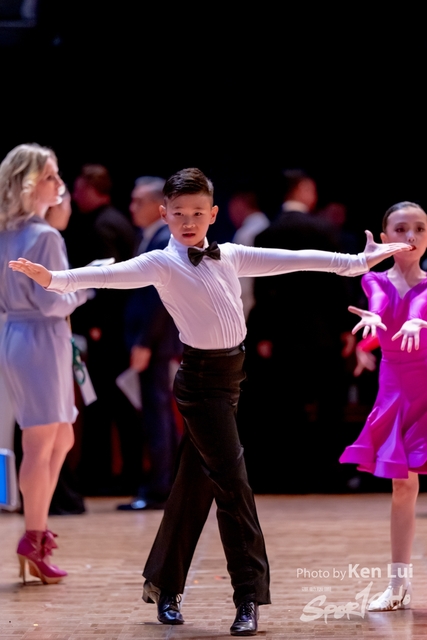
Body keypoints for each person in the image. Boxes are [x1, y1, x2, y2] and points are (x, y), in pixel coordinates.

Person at [8, 168, 410, 635]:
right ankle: (248, 596)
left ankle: (164, 586)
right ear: (164, 214)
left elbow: (296, 259)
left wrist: (357, 261)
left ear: (214, 214)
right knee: (234, 486)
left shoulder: (231, 254)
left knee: (193, 487)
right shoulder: (160, 262)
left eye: (198, 213)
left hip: (231, 379)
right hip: (199, 384)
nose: (188, 221)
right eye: (179, 213)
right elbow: (111, 274)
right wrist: (54, 278)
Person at [0, 143, 90, 583]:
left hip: (19, 335)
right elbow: (54, 300)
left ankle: (35, 533)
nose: (59, 183)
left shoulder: (9, 231)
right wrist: (87, 287)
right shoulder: (45, 236)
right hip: (41, 336)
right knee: (41, 441)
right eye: (51, 176)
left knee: (60, 437)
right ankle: (33, 537)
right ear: (30, 183)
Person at [340, 201, 427, 611]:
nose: (411, 236)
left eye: (420, 228)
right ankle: (398, 585)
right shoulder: (374, 279)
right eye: (402, 228)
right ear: (385, 236)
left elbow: (419, 307)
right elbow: (378, 302)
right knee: (402, 485)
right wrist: (371, 331)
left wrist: (416, 320)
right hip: (396, 390)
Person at [64, 164, 138, 495]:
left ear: (94, 189)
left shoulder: (103, 225)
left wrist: (96, 326)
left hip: (108, 332)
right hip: (117, 330)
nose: (75, 195)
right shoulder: (114, 220)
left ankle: (106, 476)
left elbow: (107, 282)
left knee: (108, 405)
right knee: (114, 405)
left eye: (79, 189)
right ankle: (114, 474)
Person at [118, 176, 182, 510]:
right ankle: (163, 484)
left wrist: (144, 342)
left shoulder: (161, 241)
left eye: (138, 201)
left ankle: (161, 488)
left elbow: (159, 300)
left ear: (158, 206)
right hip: (152, 342)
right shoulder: (148, 238)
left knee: (158, 416)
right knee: (157, 415)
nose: (132, 207)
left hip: (156, 343)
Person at [228, 190, 270, 319]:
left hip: (251, 310)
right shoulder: (268, 226)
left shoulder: (246, 234)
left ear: (239, 205)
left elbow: (243, 282)